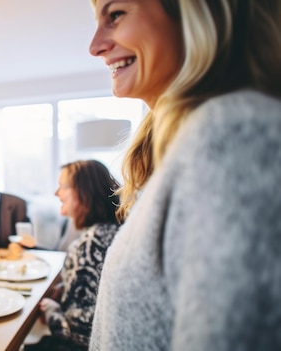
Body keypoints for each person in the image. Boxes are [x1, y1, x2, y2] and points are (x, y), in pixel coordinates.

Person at [87, 0, 281, 350]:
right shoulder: (178, 150)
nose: (95, 45)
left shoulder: (234, 133)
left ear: (194, 14)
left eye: (115, 14)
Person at [25, 160, 120, 351]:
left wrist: (51, 310)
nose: (56, 193)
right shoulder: (110, 231)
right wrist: (64, 288)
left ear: (84, 192)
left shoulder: (90, 244)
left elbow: (79, 331)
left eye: (62, 186)